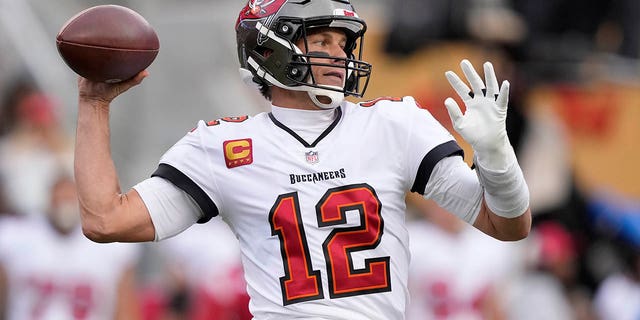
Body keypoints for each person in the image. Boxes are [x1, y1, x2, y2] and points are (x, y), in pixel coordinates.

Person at [73, 1, 531, 319]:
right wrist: (94, 104)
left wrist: (496, 157)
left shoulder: (395, 125)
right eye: (323, 42)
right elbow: (106, 220)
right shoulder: (223, 147)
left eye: (343, 44)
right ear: (270, 50)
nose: (340, 55)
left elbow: (507, 225)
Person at [0, 174, 141, 320]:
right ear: (49, 198)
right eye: (60, 198)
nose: (64, 205)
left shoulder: (112, 246)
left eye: (69, 198)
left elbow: (124, 309)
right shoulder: (16, 236)